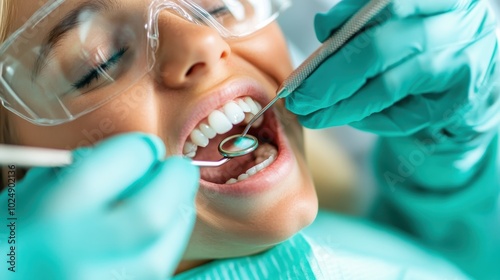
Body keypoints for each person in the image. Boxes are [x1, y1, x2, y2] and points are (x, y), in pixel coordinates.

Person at [0, 0, 498, 279]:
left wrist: (452, 164)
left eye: (217, 3)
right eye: (99, 63)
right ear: (14, 176)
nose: (203, 41)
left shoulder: (361, 231)